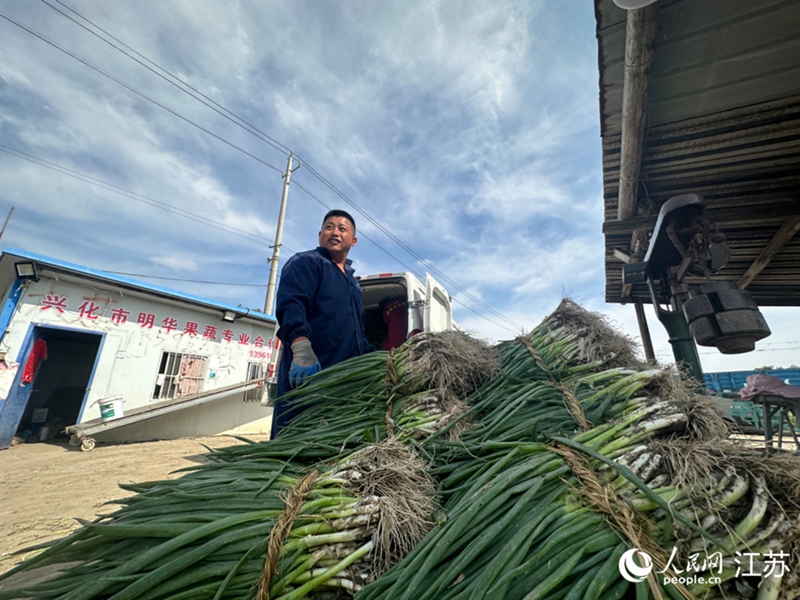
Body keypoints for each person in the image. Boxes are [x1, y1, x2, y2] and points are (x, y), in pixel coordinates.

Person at [271, 209, 374, 438]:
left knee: (334, 447)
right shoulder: (306, 262)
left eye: (342, 229)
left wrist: (376, 356)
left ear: (353, 241)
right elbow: (292, 305)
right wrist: (301, 348)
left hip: (344, 383)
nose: (334, 232)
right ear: (320, 235)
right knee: (297, 443)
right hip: (311, 376)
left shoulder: (353, 285)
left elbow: (357, 333)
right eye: (329, 227)